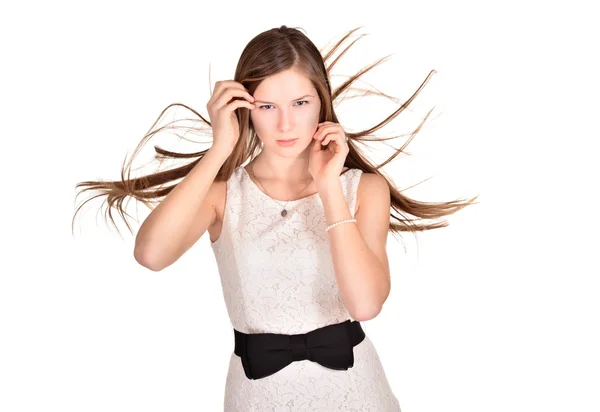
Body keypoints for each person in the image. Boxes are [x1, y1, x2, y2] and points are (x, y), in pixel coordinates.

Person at [73, 25, 477, 411]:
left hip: (357, 394)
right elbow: (150, 254)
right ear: (245, 108)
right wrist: (220, 148)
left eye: (300, 103)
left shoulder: (364, 190)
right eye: (267, 106)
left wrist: (329, 187)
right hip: (255, 397)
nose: (286, 124)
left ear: (321, 101)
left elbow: (366, 304)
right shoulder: (223, 194)